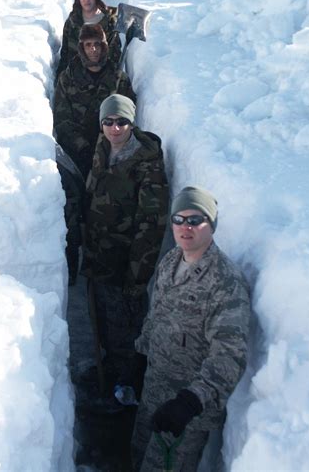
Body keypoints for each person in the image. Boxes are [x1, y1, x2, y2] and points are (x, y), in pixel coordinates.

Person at [128, 186, 251, 472]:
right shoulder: (170, 261)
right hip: (153, 392)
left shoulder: (225, 283)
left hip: (184, 415)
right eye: (179, 219)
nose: (186, 227)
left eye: (196, 220)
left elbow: (230, 355)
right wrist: (140, 356)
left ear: (212, 225)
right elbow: (156, 314)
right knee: (136, 456)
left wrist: (190, 401)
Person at [80, 93, 169, 385]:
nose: (115, 128)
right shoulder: (103, 147)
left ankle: (126, 387)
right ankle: (110, 373)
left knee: (126, 331)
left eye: (122, 122)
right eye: (108, 121)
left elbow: (151, 227)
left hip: (125, 266)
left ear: (132, 124)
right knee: (105, 322)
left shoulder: (147, 167)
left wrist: (137, 278)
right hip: (101, 256)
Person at [53, 24, 135, 285]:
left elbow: (129, 115)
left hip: (110, 154)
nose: (93, 50)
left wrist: (109, 143)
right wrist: (80, 145)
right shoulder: (69, 77)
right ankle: (70, 273)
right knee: (73, 213)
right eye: (88, 45)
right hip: (77, 158)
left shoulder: (118, 79)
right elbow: (61, 118)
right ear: (81, 47)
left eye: (98, 44)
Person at [55, 0, 121, 84]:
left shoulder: (109, 21)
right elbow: (65, 55)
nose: (86, 0)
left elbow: (115, 54)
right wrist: (59, 82)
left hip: (105, 81)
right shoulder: (72, 23)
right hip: (77, 83)